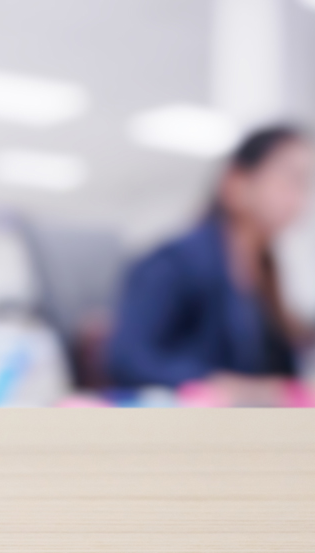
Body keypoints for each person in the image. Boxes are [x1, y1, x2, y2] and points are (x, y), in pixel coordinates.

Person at [108, 125, 314, 396]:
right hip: (196, 428)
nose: (299, 199)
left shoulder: (264, 270)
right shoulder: (175, 262)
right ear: (236, 183)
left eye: (306, 184)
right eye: (291, 180)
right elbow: (127, 358)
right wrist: (214, 383)